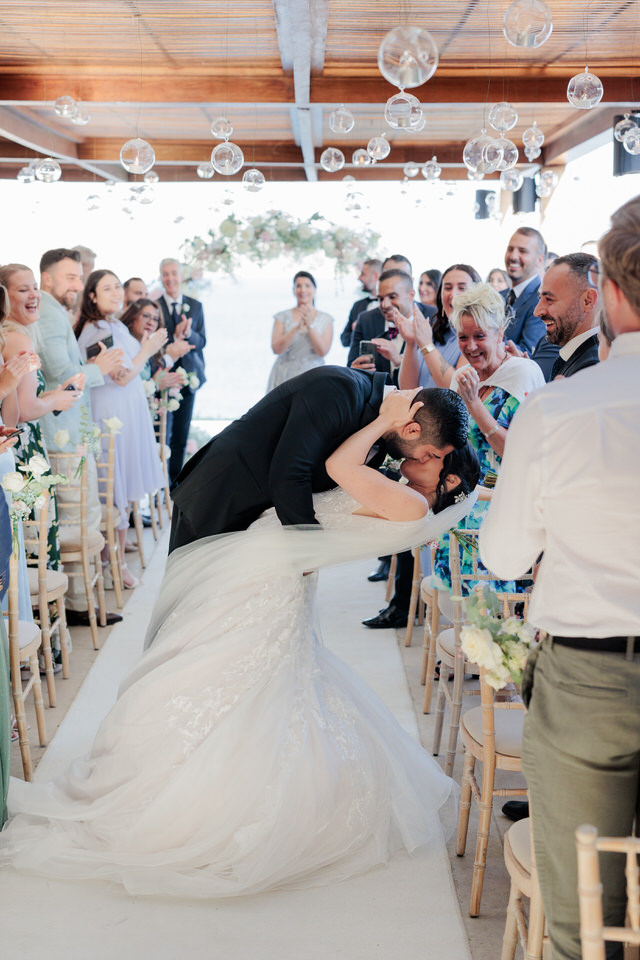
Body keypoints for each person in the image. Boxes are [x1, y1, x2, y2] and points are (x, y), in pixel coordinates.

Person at [0, 391, 478, 898]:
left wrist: (383, 420)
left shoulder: (411, 505)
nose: (421, 456)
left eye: (434, 458)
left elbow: (339, 466)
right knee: (232, 664)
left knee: (227, 665)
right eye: (429, 449)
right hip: (268, 559)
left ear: (448, 481)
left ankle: (207, 794)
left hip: (268, 567)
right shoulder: (402, 489)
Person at [479, 195, 640, 960]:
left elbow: (504, 558)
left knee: (585, 923)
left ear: (610, 295)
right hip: (587, 675)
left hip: (590, 682)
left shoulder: (559, 410)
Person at [169, 365, 469, 552]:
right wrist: (308, 549)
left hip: (260, 526)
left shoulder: (380, 434)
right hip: (219, 496)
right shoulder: (339, 389)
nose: (423, 460)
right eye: (430, 453)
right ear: (412, 429)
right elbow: (290, 472)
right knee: (186, 611)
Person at [409, 282, 544, 594]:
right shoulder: (462, 377)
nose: (470, 347)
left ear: (500, 333)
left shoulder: (524, 374)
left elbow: (521, 454)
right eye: (463, 337)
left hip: (505, 503)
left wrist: (475, 405)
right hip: (462, 501)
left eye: (480, 336)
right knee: (450, 586)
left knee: (486, 597)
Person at [362, 264, 474, 628]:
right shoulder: (434, 330)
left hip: (446, 447)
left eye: (461, 286)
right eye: (447, 287)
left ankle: (419, 606)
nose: (452, 293)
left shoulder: (469, 338)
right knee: (407, 518)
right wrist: (412, 343)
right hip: (417, 435)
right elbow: (409, 384)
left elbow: (453, 388)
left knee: (422, 521)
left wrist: (424, 344)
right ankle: (402, 603)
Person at [38, 248, 124, 627]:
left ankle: (82, 601)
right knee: (76, 517)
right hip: (62, 436)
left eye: (79, 276)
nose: (77, 283)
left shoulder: (55, 312)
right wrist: (96, 368)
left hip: (73, 432)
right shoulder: (47, 315)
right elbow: (62, 376)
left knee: (83, 515)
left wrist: (88, 366)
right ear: (48, 279)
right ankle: (78, 605)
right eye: (70, 277)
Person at [75, 270, 167, 588]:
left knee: (122, 493)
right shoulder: (95, 331)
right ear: (92, 296)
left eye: (118, 286)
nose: (116, 293)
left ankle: (114, 563)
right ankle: (112, 565)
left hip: (126, 414)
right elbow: (122, 376)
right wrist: (148, 349)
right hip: (109, 416)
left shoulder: (115, 326)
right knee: (114, 492)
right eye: (107, 288)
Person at [0, 263, 82, 573]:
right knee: (36, 530)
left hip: (15, 443)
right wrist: (56, 401)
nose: (34, 295)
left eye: (35, 287)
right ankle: (41, 600)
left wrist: (52, 394)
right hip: (22, 448)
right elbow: (24, 411)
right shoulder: (19, 340)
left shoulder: (12, 335)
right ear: (4, 297)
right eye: (23, 289)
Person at [155, 258, 205, 485]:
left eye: (174, 273)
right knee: (162, 433)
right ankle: (159, 483)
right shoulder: (154, 307)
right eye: (165, 274)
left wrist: (188, 334)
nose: (170, 278)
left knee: (181, 434)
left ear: (181, 276)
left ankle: (175, 484)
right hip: (163, 378)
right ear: (161, 277)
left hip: (188, 378)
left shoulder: (196, 306)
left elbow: (202, 342)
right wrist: (173, 339)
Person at [348, 255, 436, 383]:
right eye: (381, 298)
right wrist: (355, 371)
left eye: (393, 296)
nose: (385, 305)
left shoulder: (434, 317)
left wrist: (398, 360)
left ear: (411, 294)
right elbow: (350, 368)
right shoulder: (365, 320)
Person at [267, 271, 334, 390]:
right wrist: (296, 329)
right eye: (298, 286)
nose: (303, 290)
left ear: (314, 289)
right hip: (284, 374)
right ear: (293, 290)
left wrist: (310, 326)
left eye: (307, 285)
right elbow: (276, 349)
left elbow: (322, 351)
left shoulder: (326, 319)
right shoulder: (282, 316)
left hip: (313, 374)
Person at [502, 228, 548, 354]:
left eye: (522, 251)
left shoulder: (542, 300)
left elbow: (527, 354)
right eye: (510, 249)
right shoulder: (500, 296)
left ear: (539, 260)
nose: (513, 256)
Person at [339, 258, 381, 347]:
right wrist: (356, 330)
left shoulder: (389, 307)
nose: (359, 278)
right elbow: (344, 340)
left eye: (363, 274)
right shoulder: (357, 306)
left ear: (375, 276)